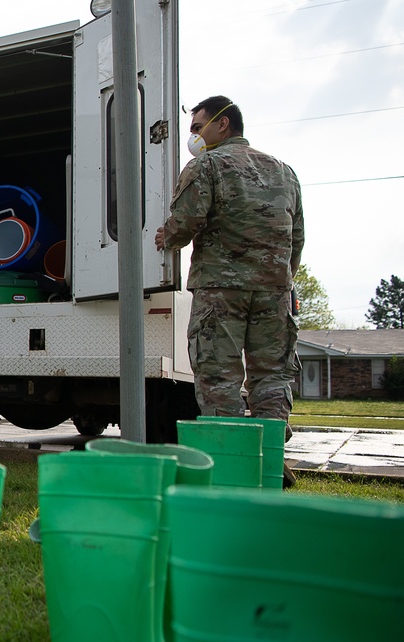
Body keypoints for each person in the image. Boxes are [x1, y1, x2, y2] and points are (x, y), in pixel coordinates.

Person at [155, 95, 304, 486]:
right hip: (274, 291)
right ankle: (270, 463)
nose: (193, 136)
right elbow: (298, 238)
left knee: (219, 379)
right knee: (272, 378)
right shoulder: (284, 172)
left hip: (221, 290)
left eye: (197, 127)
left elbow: (186, 222)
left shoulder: (206, 165)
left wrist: (165, 237)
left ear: (223, 124)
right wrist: (282, 280)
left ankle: (235, 470)